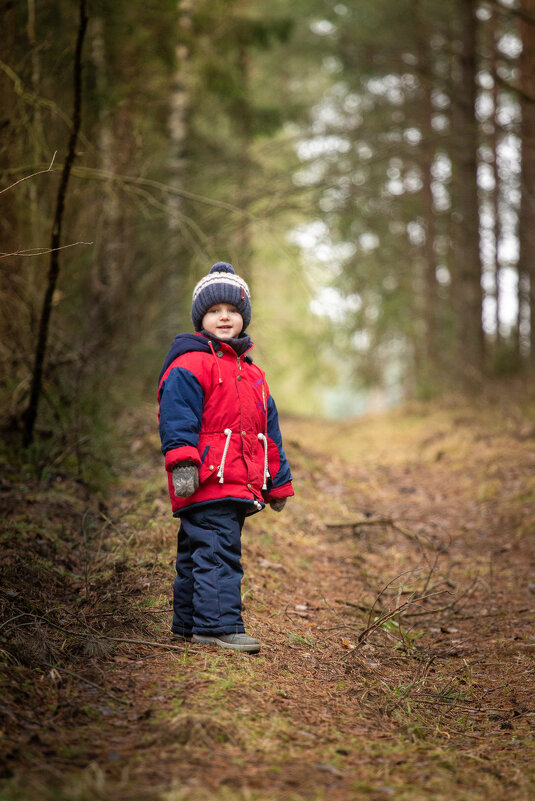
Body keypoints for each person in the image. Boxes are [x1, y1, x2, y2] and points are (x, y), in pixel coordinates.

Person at [157, 262, 294, 654]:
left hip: (238, 481)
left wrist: (278, 482)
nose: (224, 317)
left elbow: (268, 436)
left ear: (243, 318)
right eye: (215, 310)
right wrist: (183, 463)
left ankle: (187, 623)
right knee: (218, 552)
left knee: (197, 551)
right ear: (201, 316)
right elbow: (177, 417)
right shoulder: (189, 364)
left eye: (232, 311)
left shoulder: (253, 375)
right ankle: (217, 627)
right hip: (206, 478)